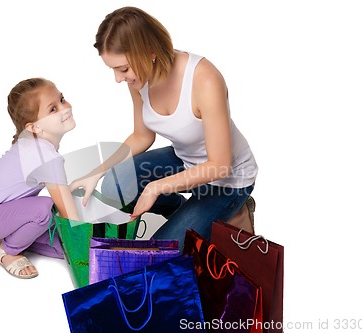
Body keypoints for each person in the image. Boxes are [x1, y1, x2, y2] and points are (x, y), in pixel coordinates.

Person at [70, 7, 258, 250]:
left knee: (158, 251)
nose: (118, 78)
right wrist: (96, 172)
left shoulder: (204, 79)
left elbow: (220, 165)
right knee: (115, 183)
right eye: (113, 70)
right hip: (185, 161)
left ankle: (234, 210)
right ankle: (185, 211)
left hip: (228, 178)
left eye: (123, 69)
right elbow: (142, 136)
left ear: (150, 52)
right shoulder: (139, 79)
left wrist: (156, 187)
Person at [0, 77, 78, 279]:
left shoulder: (39, 145)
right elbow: (68, 212)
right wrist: (87, 241)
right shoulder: (44, 156)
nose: (65, 108)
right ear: (33, 127)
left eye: (62, 99)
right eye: (53, 109)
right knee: (46, 210)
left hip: (6, 212)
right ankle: (9, 251)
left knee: (63, 249)